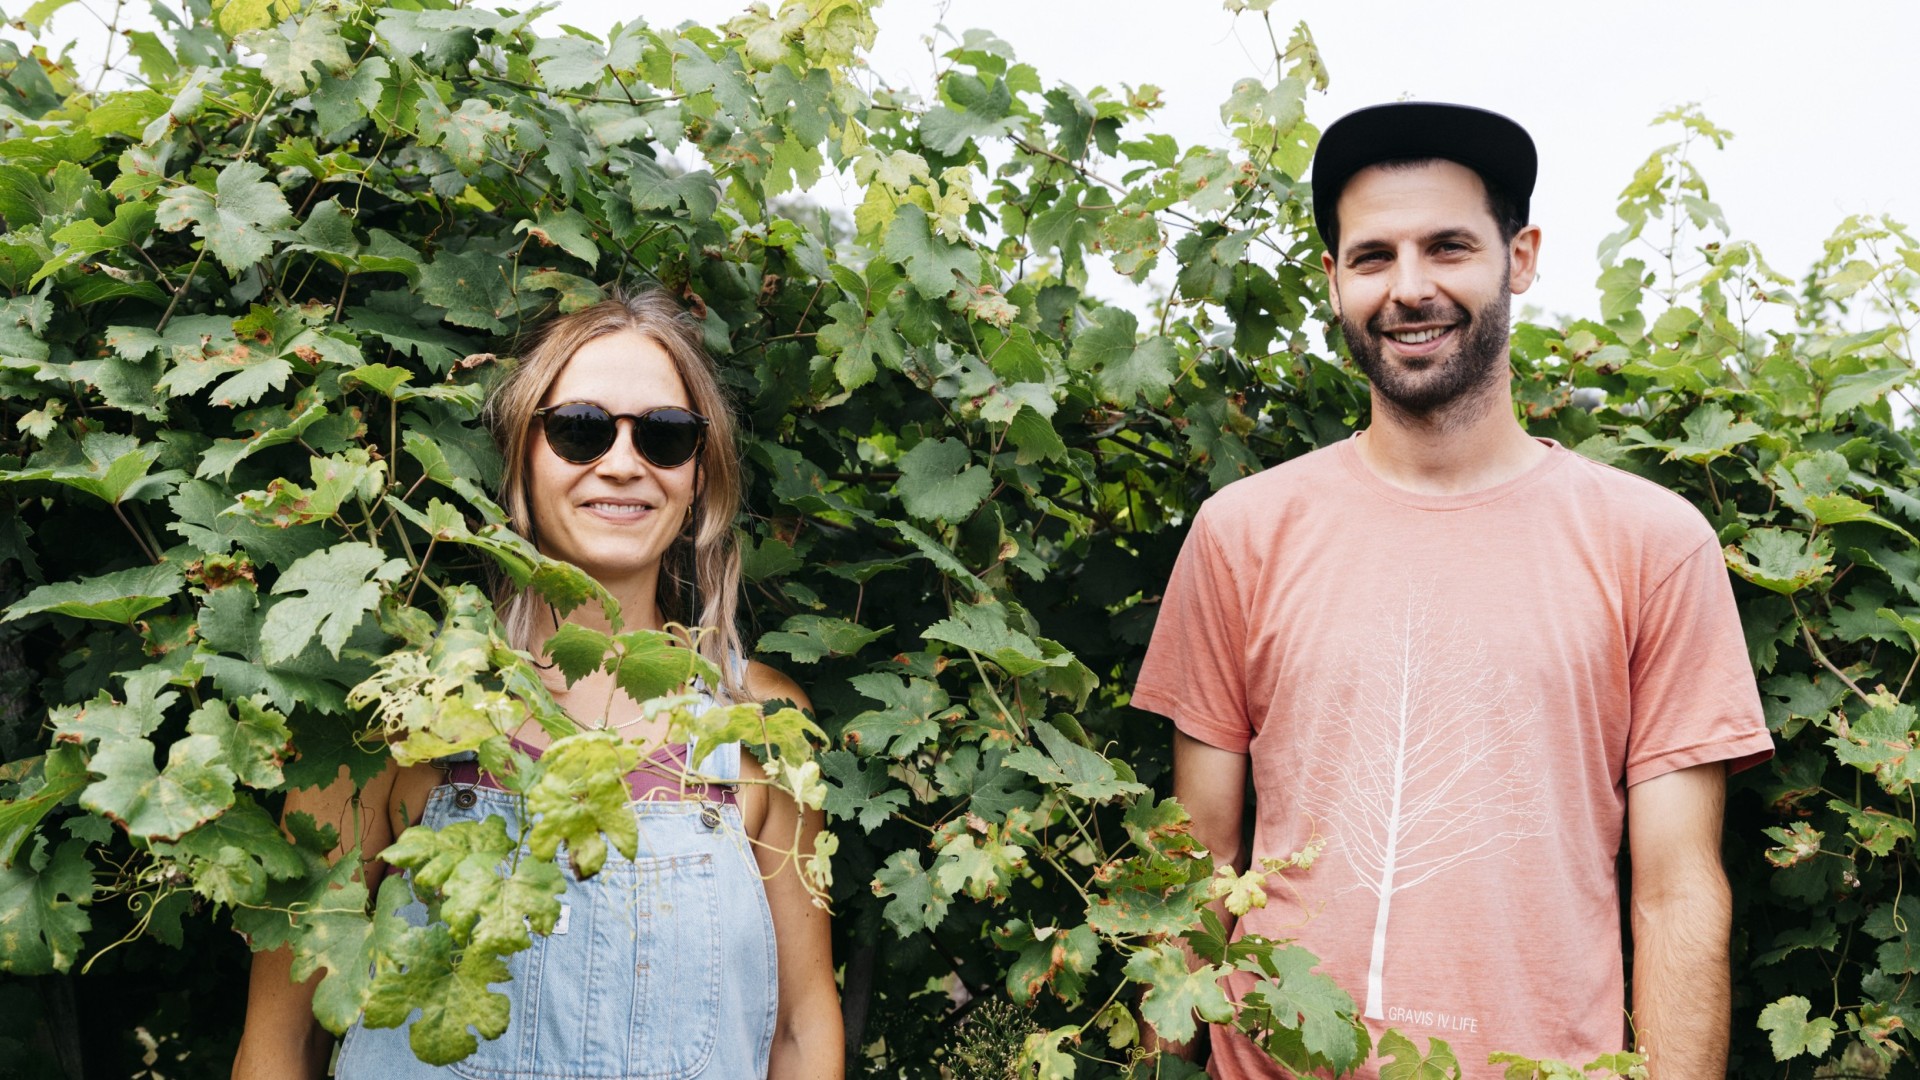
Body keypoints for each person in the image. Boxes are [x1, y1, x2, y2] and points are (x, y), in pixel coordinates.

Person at [1133, 102, 1772, 1079]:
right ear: (1334, 281)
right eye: (1374, 256)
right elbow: (1198, 866)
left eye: (1448, 247)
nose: (1411, 288)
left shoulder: (1651, 545)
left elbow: (1677, 893)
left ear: (1521, 257)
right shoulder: (1242, 536)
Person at [232, 288, 844, 1079]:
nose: (622, 464)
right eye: (580, 429)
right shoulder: (402, 709)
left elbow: (799, 1029)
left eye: (664, 437)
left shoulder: (760, 721)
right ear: (522, 453)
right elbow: (284, 1041)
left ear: (700, 475)